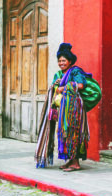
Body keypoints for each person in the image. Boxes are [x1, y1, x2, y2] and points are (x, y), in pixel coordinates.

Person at [35, 43, 100, 172]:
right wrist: (55, 86)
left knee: (73, 133)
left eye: (64, 60)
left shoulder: (75, 71)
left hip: (74, 110)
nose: (61, 63)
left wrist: (63, 88)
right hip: (63, 111)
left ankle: (76, 163)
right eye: (59, 61)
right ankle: (70, 160)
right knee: (64, 134)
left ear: (70, 61)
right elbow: (54, 90)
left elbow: (80, 85)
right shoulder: (58, 75)